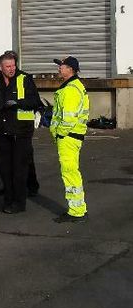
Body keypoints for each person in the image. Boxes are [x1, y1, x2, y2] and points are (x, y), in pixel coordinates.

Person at [0, 51, 40, 213]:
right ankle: (7, 200)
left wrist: (17, 102)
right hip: (1, 131)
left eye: (13, 65)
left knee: (19, 169)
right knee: (4, 168)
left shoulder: (24, 79)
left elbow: (35, 102)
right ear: (0, 67)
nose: (11, 69)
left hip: (21, 131)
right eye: (8, 66)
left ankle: (19, 203)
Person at [50, 56, 90, 222]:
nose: (60, 68)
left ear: (71, 69)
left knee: (70, 174)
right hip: (71, 137)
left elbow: (69, 118)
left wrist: (59, 132)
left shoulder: (71, 89)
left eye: (62, 66)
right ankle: (78, 208)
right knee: (71, 173)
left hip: (68, 137)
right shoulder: (72, 86)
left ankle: (76, 211)